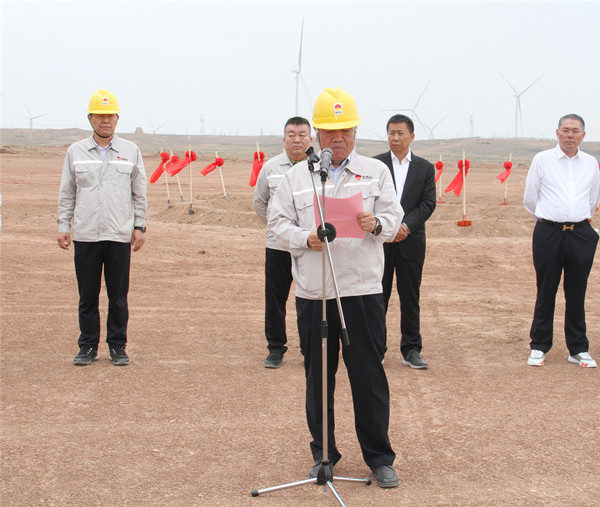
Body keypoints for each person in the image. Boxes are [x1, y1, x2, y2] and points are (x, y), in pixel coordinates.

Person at [268, 87, 403, 487]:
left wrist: (377, 224)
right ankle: (323, 454)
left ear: (356, 131)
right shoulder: (296, 177)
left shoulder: (376, 172)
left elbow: (394, 218)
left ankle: (379, 458)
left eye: (345, 130)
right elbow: (277, 224)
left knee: (368, 377)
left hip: (362, 290)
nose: (337, 137)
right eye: (329, 130)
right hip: (316, 293)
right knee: (319, 380)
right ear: (317, 134)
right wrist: (305, 238)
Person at [57, 89, 147, 366]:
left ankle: (117, 347)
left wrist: (140, 226)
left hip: (119, 235)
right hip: (86, 235)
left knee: (118, 296)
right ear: (90, 118)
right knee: (87, 296)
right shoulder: (75, 152)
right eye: (99, 116)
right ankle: (87, 346)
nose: (105, 120)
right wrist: (63, 224)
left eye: (110, 116)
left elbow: (139, 192)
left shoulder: (130, 151)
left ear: (117, 119)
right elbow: (67, 192)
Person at [523, 113, 599, 368]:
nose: (570, 135)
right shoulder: (542, 159)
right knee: (546, 289)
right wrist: (548, 220)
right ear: (557, 133)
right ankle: (539, 345)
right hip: (549, 232)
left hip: (580, 233)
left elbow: (592, 198)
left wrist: (577, 220)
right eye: (565, 130)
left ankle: (578, 348)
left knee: (577, 291)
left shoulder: (590, 163)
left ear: (583, 135)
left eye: (575, 131)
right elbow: (530, 198)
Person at [374, 114, 436, 369]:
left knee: (410, 296)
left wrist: (405, 226)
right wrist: (387, 228)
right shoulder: (375, 165)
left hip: (411, 241)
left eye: (400, 133)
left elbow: (428, 203)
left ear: (412, 136)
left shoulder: (425, 168)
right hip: (380, 241)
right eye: (391, 133)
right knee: (378, 295)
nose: (396, 137)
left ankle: (411, 349)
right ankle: (376, 348)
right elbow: (369, 200)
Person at [253, 117, 313, 368]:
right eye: (291, 134)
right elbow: (260, 203)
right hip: (278, 246)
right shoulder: (271, 167)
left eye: (302, 134)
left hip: (310, 245)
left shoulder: (318, 167)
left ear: (311, 138)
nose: (296, 139)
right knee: (275, 298)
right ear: (284, 139)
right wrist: (280, 229)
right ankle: (275, 348)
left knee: (310, 297)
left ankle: (310, 347)